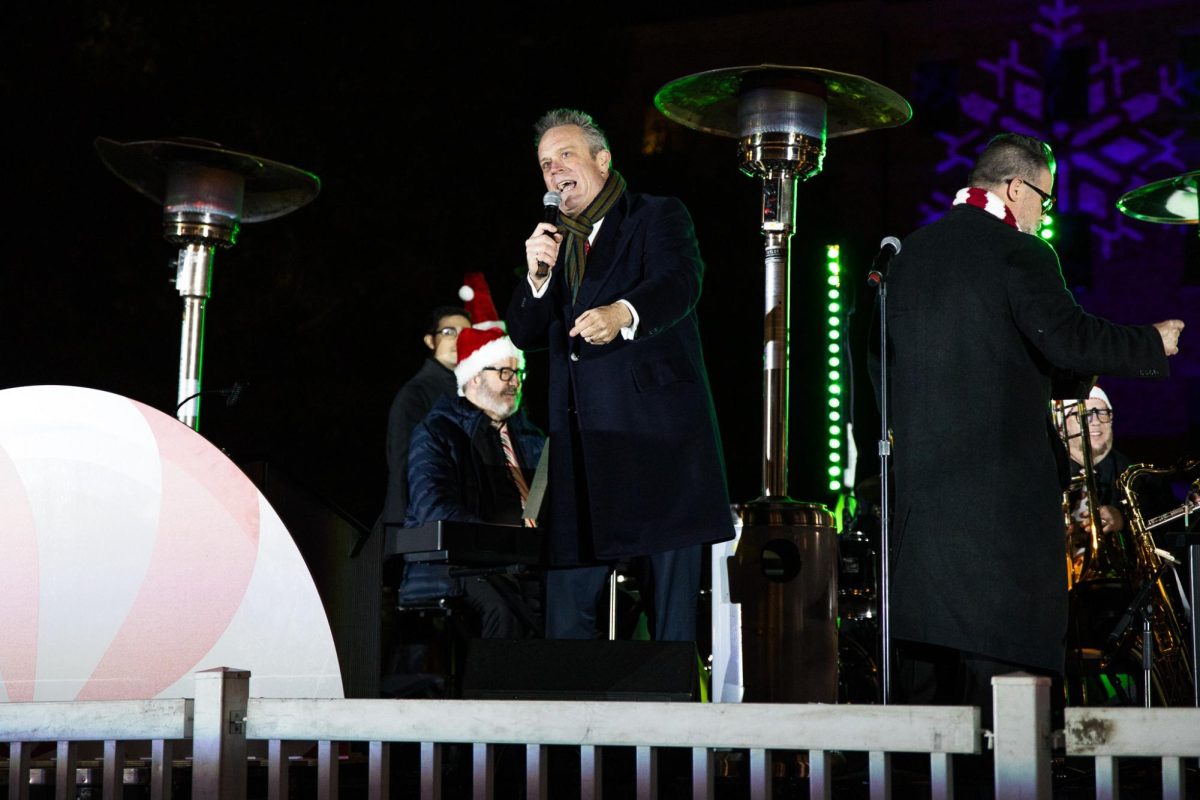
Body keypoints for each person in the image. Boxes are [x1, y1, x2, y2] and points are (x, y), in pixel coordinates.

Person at [875, 132, 1185, 717]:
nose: (1044, 214)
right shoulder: (1020, 252)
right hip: (998, 524)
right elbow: (1066, 338)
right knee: (1008, 704)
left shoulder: (908, 255)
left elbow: (882, 363)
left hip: (921, 522)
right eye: (1045, 198)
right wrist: (1149, 342)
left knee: (930, 719)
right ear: (1017, 187)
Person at [506, 107, 735, 642]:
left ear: (602, 160)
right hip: (582, 452)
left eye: (566, 155)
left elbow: (680, 282)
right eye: (545, 164)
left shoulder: (656, 215)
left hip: (657, 446)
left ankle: (673, 700)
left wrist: (622, 313)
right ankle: (574, 701)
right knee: (566, 620)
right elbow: (524, 331)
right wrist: (537, 278)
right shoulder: (553, 244)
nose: (554, 170)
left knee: (670, 627)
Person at [402, 326, 546, 639]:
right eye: (505, 372)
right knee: (505, 610)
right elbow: (433, 509)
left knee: (575, 599)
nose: (515, 382)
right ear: (475, 377)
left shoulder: (532, 438)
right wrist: (502, 538)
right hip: (454, 565)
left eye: (519, 373)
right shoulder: (436, 433)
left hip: (525, 562)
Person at [380, 304, 472, 527]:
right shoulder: (416, 393)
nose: (459, 339)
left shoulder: (472, 389)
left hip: (459, 513)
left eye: (467, 333)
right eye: (449, 332)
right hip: (423, 520)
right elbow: (403, 463)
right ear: (430, 341)